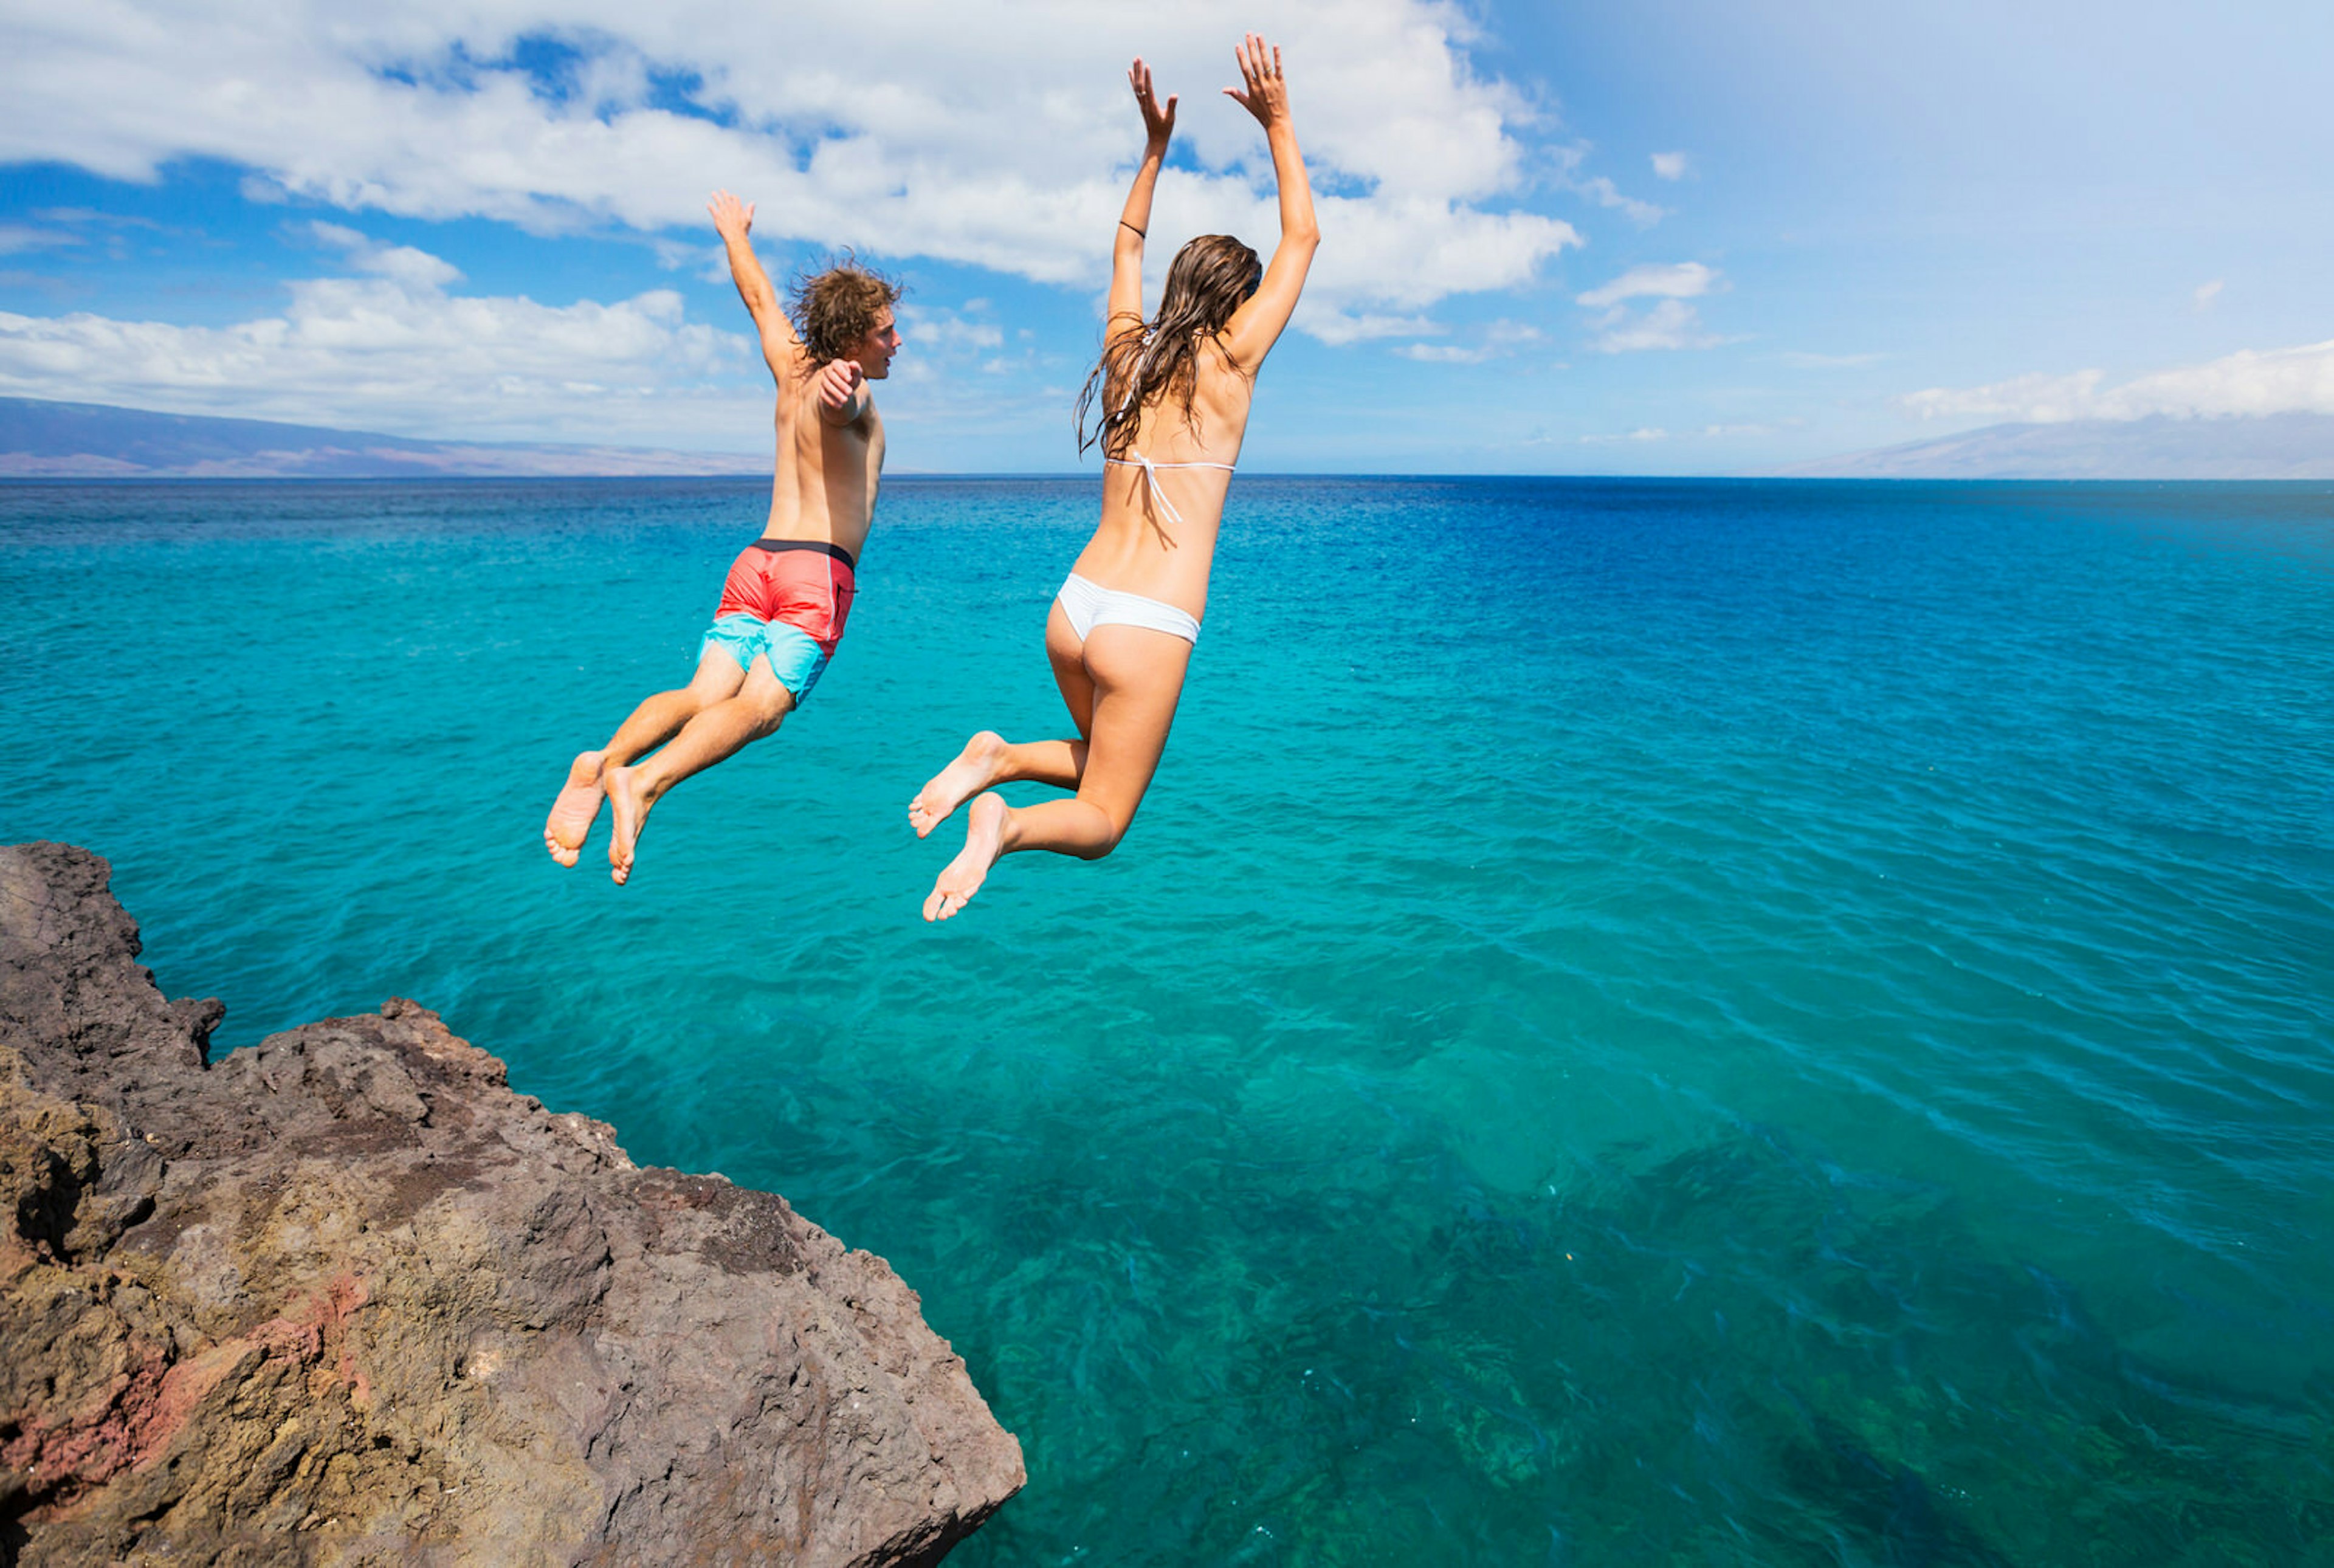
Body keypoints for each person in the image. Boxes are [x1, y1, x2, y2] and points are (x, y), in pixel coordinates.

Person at [908, 35, 1318, 921]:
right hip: (1145, 622)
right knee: (1102, 819)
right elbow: (1305, 235)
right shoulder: (1235, 363)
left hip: (1078, 604)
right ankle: (1003, 824)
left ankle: (998, 754)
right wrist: (1279, 123)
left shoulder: (1125, 356)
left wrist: (1154, 150)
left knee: (1098, 749)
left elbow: (1126, 243)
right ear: (1239, 304)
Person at [542, 192, 900, 884]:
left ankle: (604, 759)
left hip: (756, 564)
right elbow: (845, 399)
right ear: (854, 340)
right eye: (885, 332)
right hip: (814, 576)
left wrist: (734, 234)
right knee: (761, 709)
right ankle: (643, 784)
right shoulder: (849, 392)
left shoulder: (789, 366)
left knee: (702, 694)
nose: (897, 342)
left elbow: (761, 301)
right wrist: (845, 390)